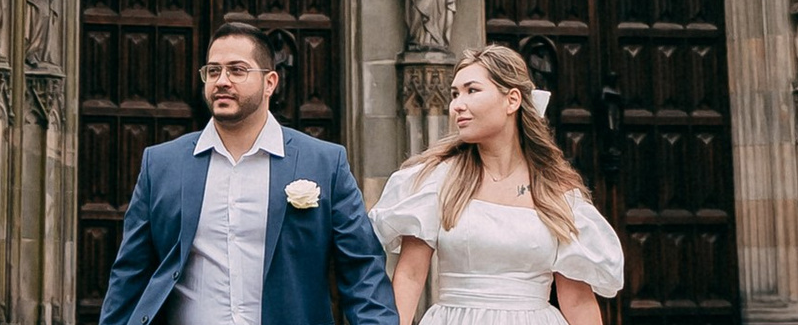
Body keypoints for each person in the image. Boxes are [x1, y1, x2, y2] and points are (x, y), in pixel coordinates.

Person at [95, 23, 395, 325]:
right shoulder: (160, 164)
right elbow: (129, 276)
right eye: (213, 71)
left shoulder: (325, 163)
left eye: (237, 70)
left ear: (270, 83)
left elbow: (362, 271)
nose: (221, 81)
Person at [370, 43, 623, 325]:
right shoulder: (437, 180)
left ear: (512, 100)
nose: (456, 105)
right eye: (454, 94)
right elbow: (410, 276)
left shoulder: (556, 192)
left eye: (471, 90)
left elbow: (576, 300)